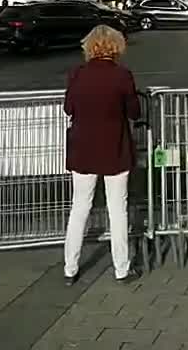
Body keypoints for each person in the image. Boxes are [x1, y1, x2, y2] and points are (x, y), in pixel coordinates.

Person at [63, 25, 142, 286]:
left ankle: (70, 267)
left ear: (89, 47)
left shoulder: (77, 74)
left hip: (83, 149)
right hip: (115, 148)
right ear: (116, 47)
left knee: (80, 207)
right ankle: (121, 268)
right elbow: (134, 112)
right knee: (117, 209)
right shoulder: (122, 75)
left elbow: (68, 108)